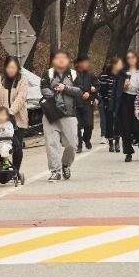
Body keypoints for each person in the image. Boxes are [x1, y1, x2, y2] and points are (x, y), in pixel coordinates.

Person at [39, 50, 82, 181]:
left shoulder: (74, 74)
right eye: (58, 58)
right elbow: (43, 88)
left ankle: (65, 164)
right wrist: (55, 93)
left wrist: (66, 88)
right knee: (52, 144)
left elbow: (80, 91)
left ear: (68, 60)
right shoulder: (48, 73)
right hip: (51, 114)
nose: (61, 60)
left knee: (72, 144)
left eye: (64, 58)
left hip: (69, 114)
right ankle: (55, 171)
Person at [0, 55, 28, 177]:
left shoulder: (23, 80)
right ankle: (3, 168)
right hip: (1, 120)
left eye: (14, 67)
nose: (11, 70)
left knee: (17, 146)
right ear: (5, 67)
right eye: (9, 67)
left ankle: (15, 170)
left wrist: (10, 113)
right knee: (1, 143)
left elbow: (21, 98)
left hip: (18, 118)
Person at [116, 50, 139, 162]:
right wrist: (123, 85)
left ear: (137, 58)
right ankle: (128, 152)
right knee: (126, 127)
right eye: (128, 58)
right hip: (126, 99)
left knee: (138, 126)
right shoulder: (122, 72)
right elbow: (117, 88)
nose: (131, 59)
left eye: (133, 57)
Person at [73, 55, 99, 153]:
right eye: (85, 62)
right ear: (79, 63)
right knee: (77, 125)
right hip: (75, 103)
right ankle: (79, 145)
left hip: (87, 103)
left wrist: (93, 90)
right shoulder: (72, 74)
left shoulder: (90, 74)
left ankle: (86, 139)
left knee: (89, 125)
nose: (87, 64)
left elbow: (97, 85)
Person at [99, 57, 123, 152]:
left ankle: (117, 142)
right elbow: (102, 89)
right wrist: (105, 101)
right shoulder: (104, 76)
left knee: (118, 122)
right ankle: (110, 143)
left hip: (119, 102)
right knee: (109, 123)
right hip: (108, 102)